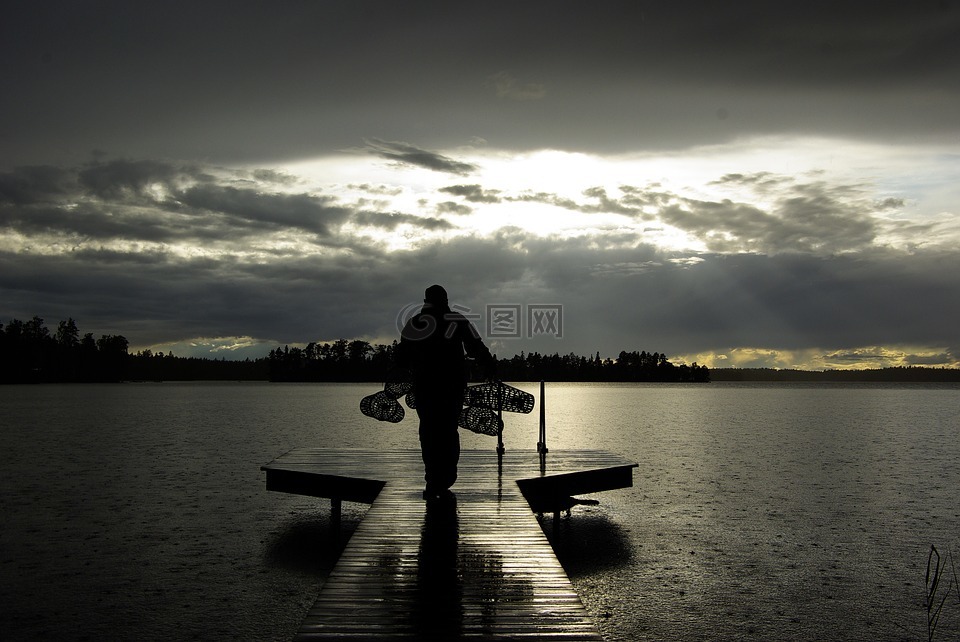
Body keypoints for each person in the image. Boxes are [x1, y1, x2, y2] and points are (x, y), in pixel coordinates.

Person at [394, 285, 496, 500]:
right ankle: (446, 477)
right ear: (446, 299)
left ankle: (433, 477)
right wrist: (490, 367)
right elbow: (476, 346)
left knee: (429, 431)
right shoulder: (458, 320)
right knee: (449, 430)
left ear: (425, 300)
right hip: (451, 386)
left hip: (425, 387)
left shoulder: (414, 323)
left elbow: (400, 358)